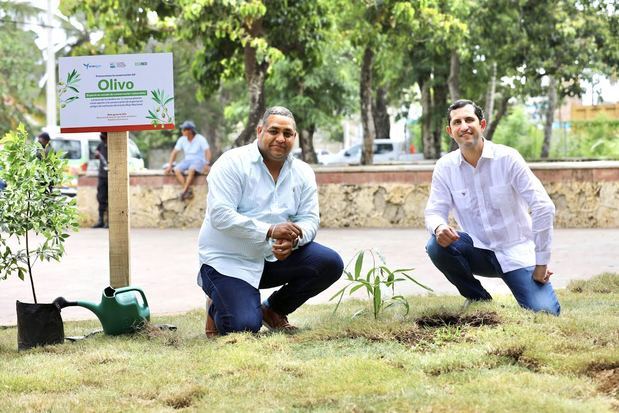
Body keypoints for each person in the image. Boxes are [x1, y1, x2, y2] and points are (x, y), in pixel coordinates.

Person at [197, 106, 344, 336]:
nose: (280, 138)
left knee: (329, 263)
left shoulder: (303, 172)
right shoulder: (232, 163)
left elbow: (309, 219)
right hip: (228, 262)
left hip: (273, 258)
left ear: (294, 137)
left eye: (287, 134)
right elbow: (220, 215)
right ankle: (218, 303)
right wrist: (270, 230)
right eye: (273, 131)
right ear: (259, 131)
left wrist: (293, 241)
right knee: (243, 326)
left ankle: (273, 310)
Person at [424, 99, 560, 315]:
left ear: (483, 124)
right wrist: (439, 226)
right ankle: (478, 299)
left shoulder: (508, 158)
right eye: (457, 122)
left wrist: (541, 263)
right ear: (450, 131)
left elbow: (543, 206)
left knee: (545, 313)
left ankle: (529, 286)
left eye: (469, 119)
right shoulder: (445, 167)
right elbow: (434, 211)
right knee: (435, 245)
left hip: (516, 253)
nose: (464, 126)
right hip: (478, 250)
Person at [164, 120, 211, 201]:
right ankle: (187, 190)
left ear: (190, 131)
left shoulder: (200, 138)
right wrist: (169, 165)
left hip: (198, 160)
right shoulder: (182, 139)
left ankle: (184, 191)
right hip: (187, 160)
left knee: (191, 170)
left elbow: (207, 151)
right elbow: (174, 152)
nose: (182, 131)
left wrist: (207, 163)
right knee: (176, 170)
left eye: (183, 129)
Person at [93, 132, 108, 229]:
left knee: (111, 199)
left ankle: (109, 222)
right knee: (101, 198)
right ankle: (101, 220)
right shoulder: (101, 145)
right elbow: (96, 155)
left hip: (111, 176)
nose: (102, 137)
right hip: (102, 175)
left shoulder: (113, 144)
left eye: (104, 135)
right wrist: (97, 154)